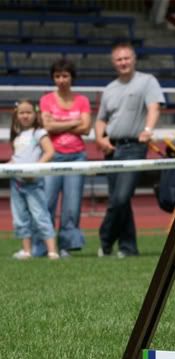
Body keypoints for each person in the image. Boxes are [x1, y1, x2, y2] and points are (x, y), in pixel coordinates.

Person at [95, 42, 165, 257]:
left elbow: (154, 107)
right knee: (119, 200)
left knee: (120, 198)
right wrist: (99, 138)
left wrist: (148, 130)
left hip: (134, 147)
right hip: (111, 148)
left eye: (126, 58)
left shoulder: (147, 81)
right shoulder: (109, 88)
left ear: (134, 59)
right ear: (113, 63)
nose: (123, 62)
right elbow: (101, 119)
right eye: (119, 59)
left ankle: (105, 239)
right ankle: (128, 247)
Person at [36, 59, 92, 258]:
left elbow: (86, 128)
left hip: (77, 157)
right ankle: (44, 246)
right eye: (57, 76)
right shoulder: (46, 100)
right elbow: (47, 127)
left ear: (72, 77)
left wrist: (58, 123)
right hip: (53, 156)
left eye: (65, 75)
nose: (61, 80)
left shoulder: (82, 100)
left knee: (72, 205)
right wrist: (74, 121)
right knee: (47, 202)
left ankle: (67, 246)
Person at [8, 100, 59, 260]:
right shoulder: (17, 136)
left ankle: (52, 251)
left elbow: (50, 152)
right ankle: (27, 251)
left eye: (28, 112)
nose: (25, 116)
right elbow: (16, 157)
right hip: (16, 183)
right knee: (20, 218)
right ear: (16, 115)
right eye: (22, 112)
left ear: (35, 114)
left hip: (33, 183)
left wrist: (35, 168)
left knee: (40, 216)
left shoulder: (39, 133)